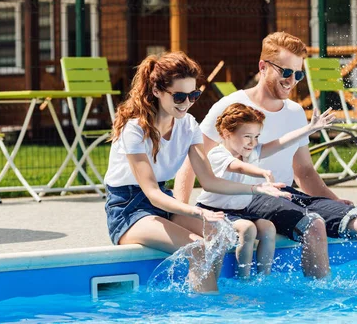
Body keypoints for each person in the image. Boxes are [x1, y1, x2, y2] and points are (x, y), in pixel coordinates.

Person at [174, 32, 357, 278]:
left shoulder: (296, 112)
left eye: (298, 74)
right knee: (313, 224)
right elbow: (192, 161)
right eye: (285, 72)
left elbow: (304, 171)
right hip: (244, 198)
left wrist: (332, 201)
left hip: (282, 194)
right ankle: (319, 300)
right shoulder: (231, 106)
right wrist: (181, 212)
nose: (292, 80)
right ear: (263, 67)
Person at [104, 51, 291, 293]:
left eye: (193, 95)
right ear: (157, 91)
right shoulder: (135, 130)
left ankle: (208, 299)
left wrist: (255, 188)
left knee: (221, 235)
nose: (187, 103)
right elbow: (151, 193)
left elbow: (210, 181)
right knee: (198, 249)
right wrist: (197, 211)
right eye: (179, 96)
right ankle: (205, 312)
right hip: (128, 209)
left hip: (162, 202)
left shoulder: (188, 125)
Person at [196, 103, 336, 278]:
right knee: (247, 230)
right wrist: (261, 172)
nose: (252, 142)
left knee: (268, 229)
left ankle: (263, 279)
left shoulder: (251, 151)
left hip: (240, 209)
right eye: (247, 136)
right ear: (226, 134)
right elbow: (237, 167)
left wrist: (309, 128)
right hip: (215, 210)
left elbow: (281, 143)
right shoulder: (218, 154)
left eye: (256, 136)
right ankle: (244, 280)